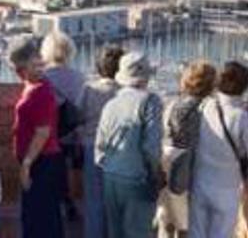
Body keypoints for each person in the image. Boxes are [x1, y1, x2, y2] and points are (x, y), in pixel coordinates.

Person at [95, 51, 164, 238]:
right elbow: (151, 147)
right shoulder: (151, 102)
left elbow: (99, 149)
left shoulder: (111, 104)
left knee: (115, 233)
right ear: (145, 77)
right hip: (137, 179)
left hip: (111, 178)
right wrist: (156, 173)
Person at [9, 36, 64, 238]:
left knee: (40, 219)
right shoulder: (33, 87)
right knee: (37, 217)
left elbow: (43, 132)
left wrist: (26, 164)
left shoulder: (40, 92)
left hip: (42, 161)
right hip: (40, 160)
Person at [157, 61, 216, 238]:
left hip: (167, 164)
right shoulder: (208, 109)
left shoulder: (172, 105)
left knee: (167, 220)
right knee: (186, 225)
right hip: (190, 172)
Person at [189, 61, 248, 238]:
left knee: (196, 233)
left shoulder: (205, 105)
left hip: (200, 181)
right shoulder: (242, 118)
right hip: (227, 187)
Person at [79, 45, 124, 238]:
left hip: (92, 147)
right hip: (121, 152)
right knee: (117, 204)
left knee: (93, 203)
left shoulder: (89, 89)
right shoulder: (125, 93)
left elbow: (77, 116)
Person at [41, 31, 85, 221]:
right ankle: (71, 202)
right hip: (73, 133)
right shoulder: (79, 77)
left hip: (50, 134)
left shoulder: (43, 78)